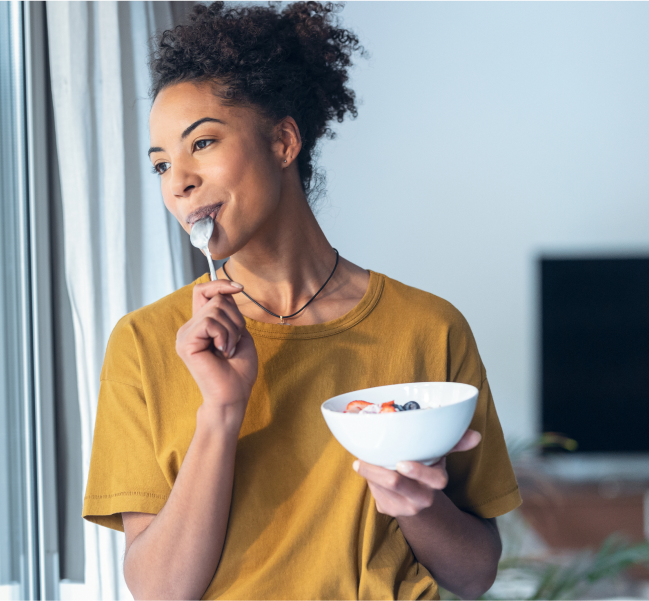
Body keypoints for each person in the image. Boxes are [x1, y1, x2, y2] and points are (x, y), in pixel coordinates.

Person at [82, 2, 521, 600]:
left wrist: (417, 507)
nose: (177, 181)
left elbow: (474, 574)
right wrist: (220, 409)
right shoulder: (146, 342)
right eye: (161, 165)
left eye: (202, 143)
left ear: (284, 141)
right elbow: (160, 592)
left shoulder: (428, 328)